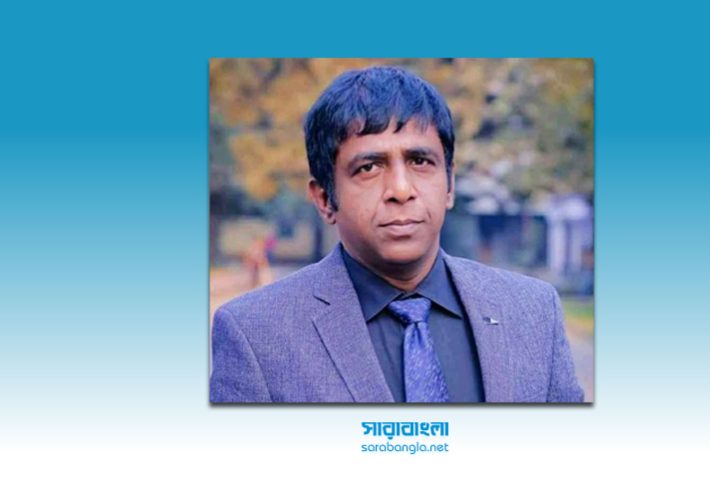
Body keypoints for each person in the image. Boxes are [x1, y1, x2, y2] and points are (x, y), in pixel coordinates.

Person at [210, 66, 584, 403]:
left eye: (420, 161)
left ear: (450, 183)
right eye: (369, 167)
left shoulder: (533, 312)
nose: (401, 190)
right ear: (324, 199)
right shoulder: (257, 335)